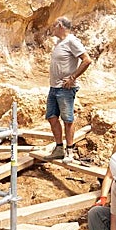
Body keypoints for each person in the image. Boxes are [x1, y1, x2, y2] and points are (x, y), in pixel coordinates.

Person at [37, 17, 92, 162]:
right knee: (51, 116)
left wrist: (73, 77)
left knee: (68, 120)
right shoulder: (60, 42)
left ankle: (70, 151)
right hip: (54, 87)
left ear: (60, 25)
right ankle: (59, 148)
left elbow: (87, 60)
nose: (52, 28)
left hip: (65, 88)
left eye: (54, 25)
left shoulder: (72, 41)